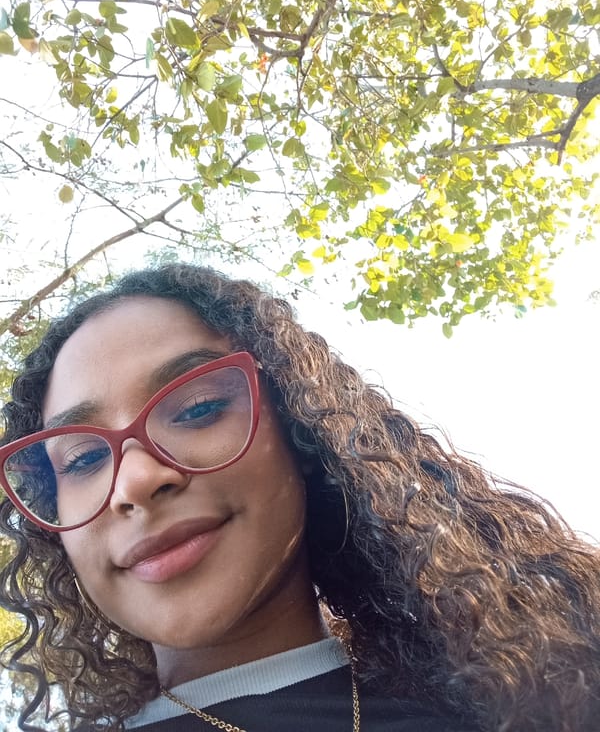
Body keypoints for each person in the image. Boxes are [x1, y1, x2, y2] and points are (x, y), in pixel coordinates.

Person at [0, 264, 598, 732]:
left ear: (304, 434)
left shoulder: (542, 705)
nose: (133, 481)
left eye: (200, 408)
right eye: (82, 460)